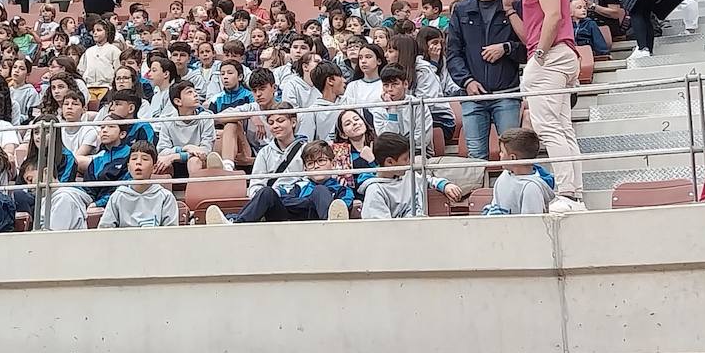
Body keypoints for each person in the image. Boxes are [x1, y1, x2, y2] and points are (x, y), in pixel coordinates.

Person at [502, 0, 584, 206]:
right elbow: (530, 35)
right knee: (561, 129)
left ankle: (567, 192)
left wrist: (540, 55)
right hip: (554, 54)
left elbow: (555, 16)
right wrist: (508, 8)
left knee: (548, 128)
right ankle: (574, 192)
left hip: (551, 56)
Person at [446, 0, 525, 161]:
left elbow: (528, 48)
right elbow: (453, 54)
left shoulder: (514, 6)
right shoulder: (461, 9)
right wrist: (467, 81)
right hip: (472, 95)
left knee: (513, 154)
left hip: (507, 93)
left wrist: (506, 48)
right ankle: (479, 194)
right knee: (475, 157)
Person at [204, 140, 352, 224]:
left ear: (332, 163)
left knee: (320, 191)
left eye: (321, 160)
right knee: (267, 192)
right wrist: (307, 202)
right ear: (305, 168)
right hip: (289, 221)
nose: (316, 166)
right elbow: (282, 199)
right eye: (311, 163)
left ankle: (332, 223)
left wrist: (305, 203)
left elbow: (344, 207)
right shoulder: (298, 186)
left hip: (318, 222)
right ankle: (236, 224)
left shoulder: (342, 189)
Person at [360, 132, 462, 219]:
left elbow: (426, 180)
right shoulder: (375, 190)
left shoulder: (407, 174)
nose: (409, 162)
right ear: (390, 162)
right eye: (405, 159)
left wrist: (444, 185)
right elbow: (379, 229)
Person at [98, 141, 179, 228]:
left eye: (145, 159)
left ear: (154, 167)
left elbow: (171, 233)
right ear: (128, 167)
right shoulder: (117, 196)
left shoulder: (166, 197)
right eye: (134, 159)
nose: (138, 162)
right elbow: (105, 230)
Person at [481, 128, 556, 215]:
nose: (499, 154)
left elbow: (531, 224)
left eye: (502, 152)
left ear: (513, 158)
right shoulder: (504, 175)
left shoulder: (531, 188)